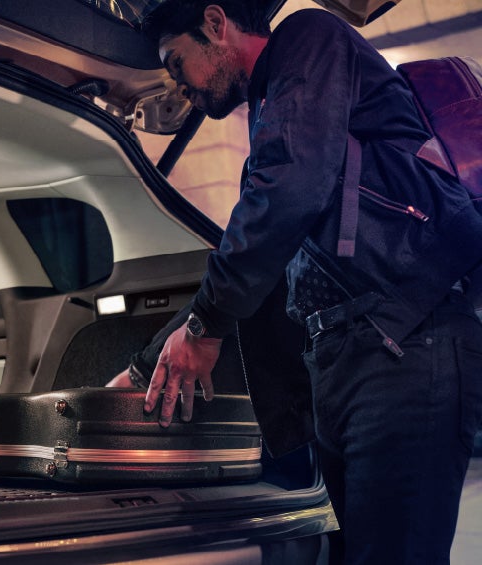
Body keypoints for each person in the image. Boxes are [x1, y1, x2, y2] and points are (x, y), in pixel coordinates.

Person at [126, 1, 482, 563]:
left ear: (216, 25)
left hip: (409, 339)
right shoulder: (275, 122)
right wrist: (148, 366)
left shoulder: (308, 37)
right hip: (346, 360)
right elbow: (259, 251)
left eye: (177, 64)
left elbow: (286, 193)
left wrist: (205, 325)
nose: (180, 88)